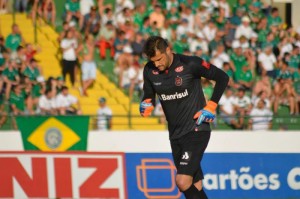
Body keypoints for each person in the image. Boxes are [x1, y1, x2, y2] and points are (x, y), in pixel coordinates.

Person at [140, 36, 229, 199]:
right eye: (153, 61)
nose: (157, 64)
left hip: (196, 129)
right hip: (175, 134)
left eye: (159, 59)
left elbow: (222, 77)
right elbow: (148, 93)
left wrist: (211, 106)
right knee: (194, 186)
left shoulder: (191, 64)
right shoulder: (149, 70)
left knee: (181, 181)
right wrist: (146, 103)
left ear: (168, 49)